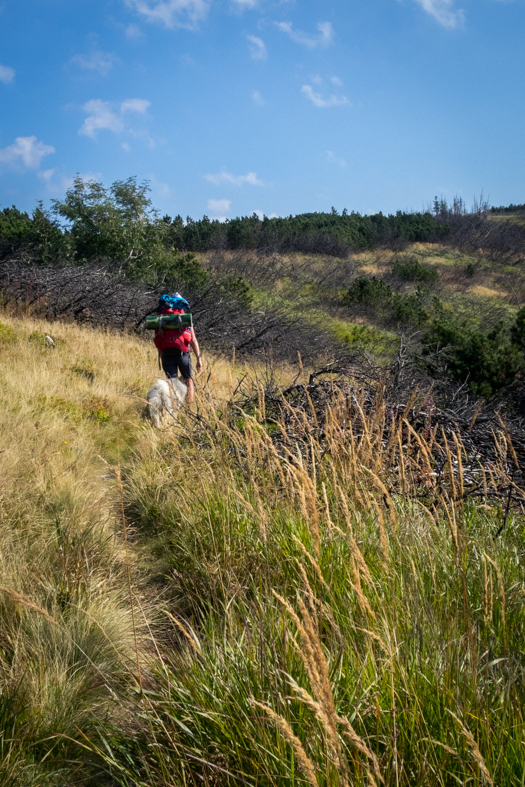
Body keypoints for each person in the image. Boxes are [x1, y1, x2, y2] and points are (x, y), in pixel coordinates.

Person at [153, 293, 202, 404]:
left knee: (172, 383)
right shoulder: (185, 319)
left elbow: (157, 338)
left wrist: (162, 354)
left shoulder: (162, 318)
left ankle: (173, 408)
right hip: (183, 353)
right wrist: (199, 359)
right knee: (188, 380)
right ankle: (189, 408)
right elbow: (193, 340)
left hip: (166, 354)